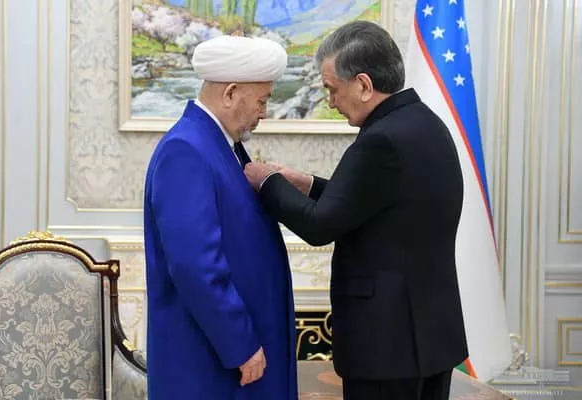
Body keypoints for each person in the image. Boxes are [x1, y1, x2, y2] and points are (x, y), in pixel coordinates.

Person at [244, 21, 468, 400]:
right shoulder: (425, 123)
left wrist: (267, 182)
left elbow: (319, 226)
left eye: (332, 89)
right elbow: (380, 205)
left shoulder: (381, 140)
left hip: (387, 345)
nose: (331, 101)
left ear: (363, 85)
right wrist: (307, 183)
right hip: (429, 338)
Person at [143, 35, 297, 400]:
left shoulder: (220, 144)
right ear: (230, 93)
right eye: (262, 100)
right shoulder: (186, 150)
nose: (264, 112)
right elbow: (195, 265)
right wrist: (240, 343)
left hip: (228, 361)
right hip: (211, 364)